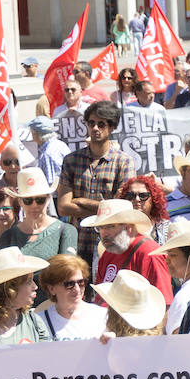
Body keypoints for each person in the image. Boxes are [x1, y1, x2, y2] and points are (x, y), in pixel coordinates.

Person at [56, 101, 136, 266]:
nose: (95, 128)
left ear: (112, 127)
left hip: (111, 243)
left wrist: (81, 201)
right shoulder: (71, 160)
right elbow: (63, 207)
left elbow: (120, 209)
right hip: (78, 240)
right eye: (91, 123)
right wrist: (103, 207)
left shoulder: (123, 161)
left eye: (101, 124)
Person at [82, 198, 174, 304]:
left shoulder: (150, 253)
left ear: (129, 227)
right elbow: (100, 298)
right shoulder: (108, 253)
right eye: (100, 228)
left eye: (110, 226)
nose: (104, 233)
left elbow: (163, 303)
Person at [0, 169, 77, 266]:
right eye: (28, 200)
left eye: (40, 200)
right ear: (20, 202)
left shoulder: (66, 231)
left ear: (48, 199)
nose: (34, 205)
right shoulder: (8, 236)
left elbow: (67, 270)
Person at [0, 248, 50, 347]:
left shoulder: (35, 323)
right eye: (29, 281)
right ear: (8, 289)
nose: (35, 286)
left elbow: (45, 359)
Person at [33, 254, 107, 341]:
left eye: (81, 282)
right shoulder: (39, 321)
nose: (77, 289)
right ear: (51, 288)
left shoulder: (102, 315)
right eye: (69, 284)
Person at [119, 174, 171, 244]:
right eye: (131, 196)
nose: (137, 199)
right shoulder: (117, 228)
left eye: (143, 195)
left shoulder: (166, 227)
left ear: (153, 198)